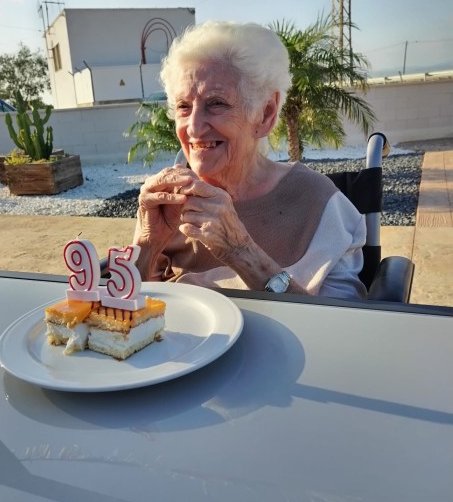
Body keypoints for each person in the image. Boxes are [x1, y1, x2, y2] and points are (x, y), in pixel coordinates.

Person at [133, 20, 367, 299]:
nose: (193, 128)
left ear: (265, 113)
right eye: (184, 106)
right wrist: (146, 245)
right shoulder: (165, 202)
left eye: (216, 103)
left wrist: (241, 252)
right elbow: (124, 312)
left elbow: (342, 322)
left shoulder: (321, 206)